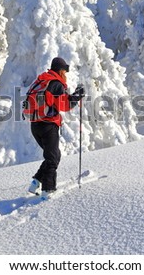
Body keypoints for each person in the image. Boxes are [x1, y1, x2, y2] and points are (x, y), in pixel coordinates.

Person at [26, 57, 85, 196]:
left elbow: (55, 100)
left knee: (53, 156)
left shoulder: (42, 80)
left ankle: (35, 182)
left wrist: (73, 96)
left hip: (35, 125)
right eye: (65, 70)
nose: (65, 74)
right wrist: (77, 96)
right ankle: (48, 190)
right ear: (61, 70)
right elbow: (64, 105)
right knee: (52, 158)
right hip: (48, 125)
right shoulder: (56, 83)